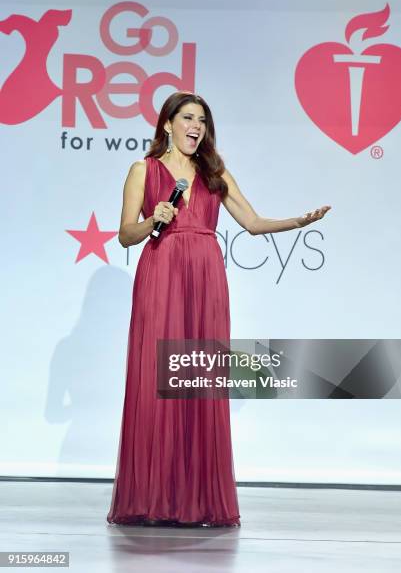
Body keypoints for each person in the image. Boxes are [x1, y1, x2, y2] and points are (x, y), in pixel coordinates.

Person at [106, 90, 331, 528]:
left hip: (206, 279)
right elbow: (125, 235)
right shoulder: (143, 170)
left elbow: (252, 222)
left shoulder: (214, 172)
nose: (196, 126)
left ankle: (196, 501)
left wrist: (299, 222)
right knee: (158, 382)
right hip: (162, 274)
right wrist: (155, 219)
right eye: (187, 118)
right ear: (167, 124)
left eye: (203, 120)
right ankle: (152, 499)